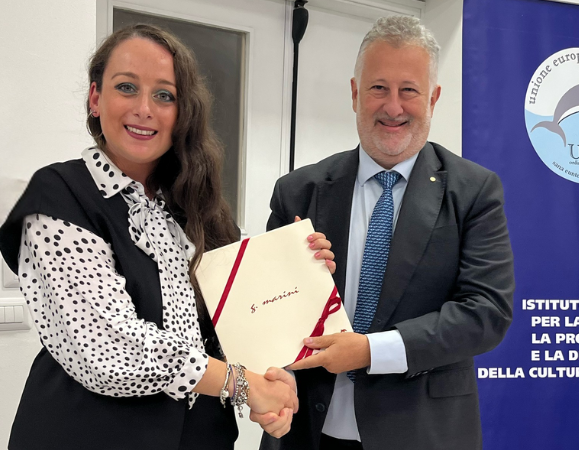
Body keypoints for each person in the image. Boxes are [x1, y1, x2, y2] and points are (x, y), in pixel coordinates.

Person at [0, 24, 334, 450]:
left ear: (183, 113)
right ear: (96, 98)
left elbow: (238, 324)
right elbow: (111, 348)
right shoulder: (58, 196)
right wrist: (242, 385)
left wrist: (300, 275)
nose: (145, 109)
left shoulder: (200, 209)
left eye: (164, 95)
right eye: (126, 87)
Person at [259, 15, 515, 450]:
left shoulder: (473, 191)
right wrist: (296, 281)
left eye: (408, 90)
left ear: (433, 98)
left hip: (422, 434)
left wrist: (371, 351)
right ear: (355, 93)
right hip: (306, 433)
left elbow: (486, 313)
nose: (393, 107)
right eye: (379, 88)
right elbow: (266, 313)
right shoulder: (299, 191)